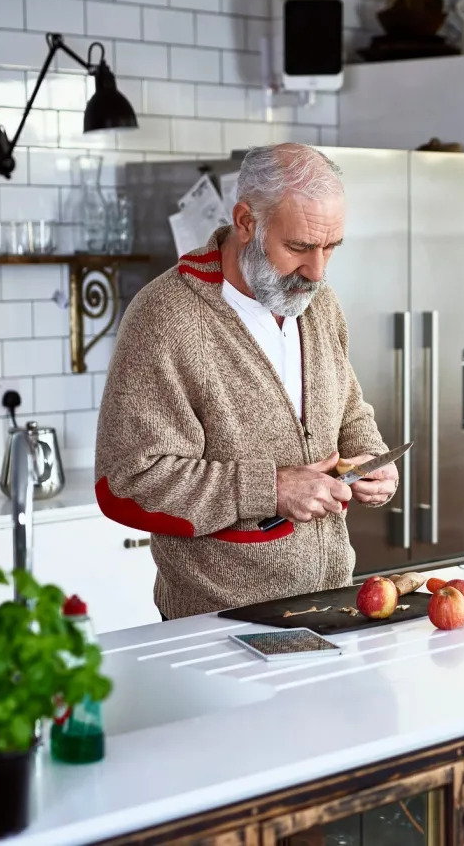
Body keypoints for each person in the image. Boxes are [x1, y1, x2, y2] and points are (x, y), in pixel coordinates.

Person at [94, 143, 399, 619]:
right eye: (299, 247)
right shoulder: (166, 317)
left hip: (332, 604)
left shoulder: (318, 302)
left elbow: (348, 407)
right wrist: (270, 488)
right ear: (245, 222)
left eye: (331, 247)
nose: (317, 271)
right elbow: (125, 483)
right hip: (217, 620)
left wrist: (372, 458)